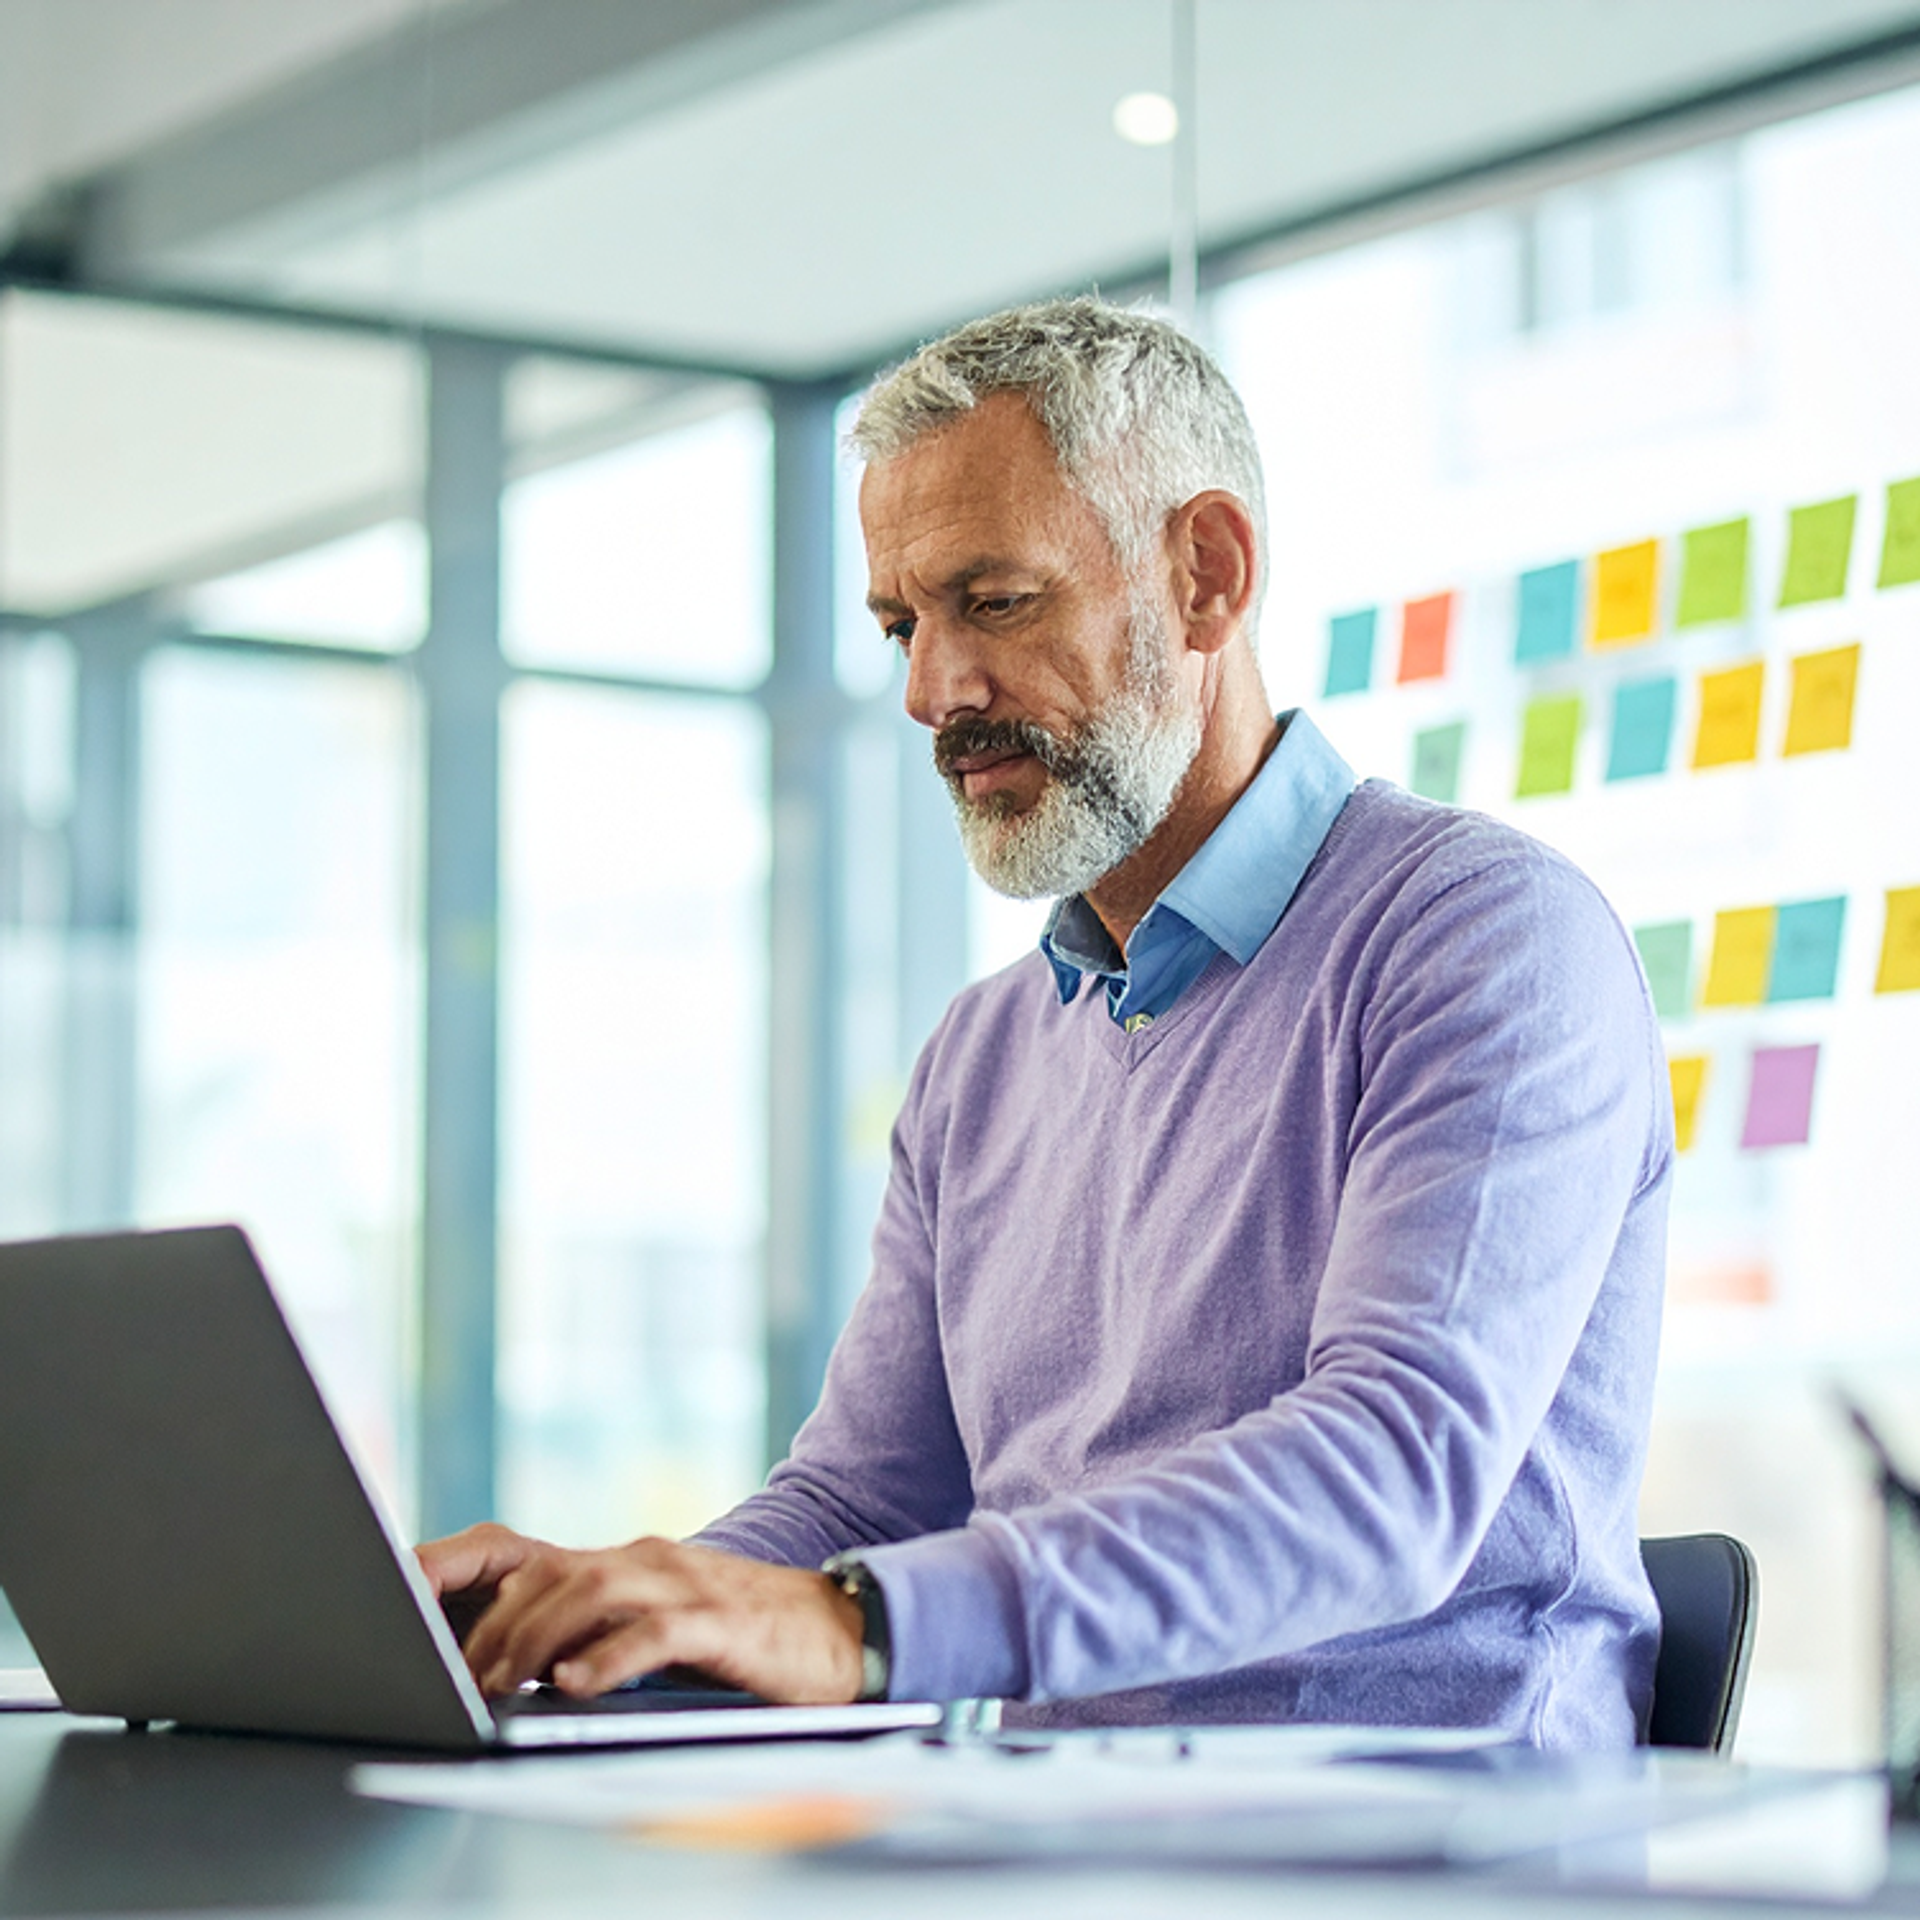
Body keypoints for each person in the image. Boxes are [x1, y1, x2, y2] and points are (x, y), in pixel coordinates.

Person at [421, 298, 1670, 1747]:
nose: (929, 691)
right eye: (903, 623)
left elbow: (1395, 1470)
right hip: (1043, 1839)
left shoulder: (1482, 937)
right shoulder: (983, 1055)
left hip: (1425, 1860)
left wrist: (855, 1625)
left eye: (994, 602)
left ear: (1206, 576)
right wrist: (615, 1609)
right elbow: (865, 1500)